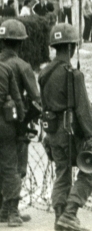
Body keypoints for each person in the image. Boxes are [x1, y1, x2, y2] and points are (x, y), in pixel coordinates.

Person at [40, 23, 92, 231]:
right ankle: (70, 213)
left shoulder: (44, 73)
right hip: (71, 132)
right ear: (72, 47)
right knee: (88, 174)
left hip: (53, 131)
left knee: (62, 174)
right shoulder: (73, 74)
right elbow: (82, 109)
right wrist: (91, 135)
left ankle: (60, 217)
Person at [0, 19, 38, 224]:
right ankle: (12, 211)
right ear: (21, 43)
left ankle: (3, 209)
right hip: (13, 122)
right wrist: (27, 120)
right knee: (14, 167)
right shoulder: (21, 66)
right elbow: (35, 98)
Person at [0, 25, 24, 227]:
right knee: (10, 168)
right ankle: (12, 212)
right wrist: (22, 122)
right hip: (5, 125)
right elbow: (18, 100)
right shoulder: (8, 69)